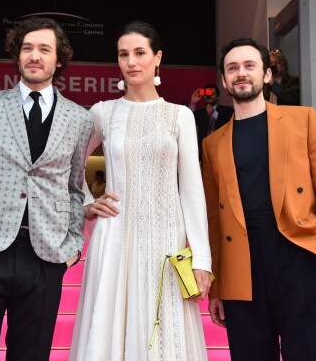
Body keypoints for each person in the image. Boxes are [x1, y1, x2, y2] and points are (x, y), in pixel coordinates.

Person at [0, 17, 93, 361]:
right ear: (17, 55)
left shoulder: (79, 119)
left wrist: (73, 244)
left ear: (59, 59)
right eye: (27, 48)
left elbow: (74, 189)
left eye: (44, 49)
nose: (34, 56)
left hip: (45, 257)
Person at [69, 21, 213, 361]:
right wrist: (89, 203)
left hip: (167, 239)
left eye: (139, 53)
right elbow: (70, 165)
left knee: (165, 329)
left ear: (157, 57)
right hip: (113, 235)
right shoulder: (103, 113)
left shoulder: (179, 116)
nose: (131, 62)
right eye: (123, 54)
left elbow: (192, 189)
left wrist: (201, 258)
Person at [202, 38, 316, 361]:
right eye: (232, 68)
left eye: (249, 66)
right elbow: (213, 218)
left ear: (267, 75)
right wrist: (217, 284)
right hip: (241, 263)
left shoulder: (303, 120)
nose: (241, 73)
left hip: (298, 255)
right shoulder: (212, 145)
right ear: (224, 81)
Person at [190, 84, 234, 161]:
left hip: (220, 150)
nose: (209, 95)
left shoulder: (227, 110)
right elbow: (189, 122)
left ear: (217, 97)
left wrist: (213, 113)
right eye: (207, 93)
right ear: (204, 96)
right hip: (204, 152)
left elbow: (227, 121)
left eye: (212, 93)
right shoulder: (200, 113)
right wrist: (193, 102)